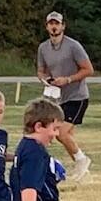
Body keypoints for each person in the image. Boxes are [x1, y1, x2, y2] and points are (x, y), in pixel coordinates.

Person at [37, 11, 93, 182]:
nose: (54, 27)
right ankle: (82, 171)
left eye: (57, 23)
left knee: (60, 133)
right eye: (51, 23)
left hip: (77, 96)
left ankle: (83, 161)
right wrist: (45, 79)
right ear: (47, 26)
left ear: (63, 26)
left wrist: (68, 79)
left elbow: (88, 69)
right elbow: (41, 70)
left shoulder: (73, 46)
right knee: (66, 136)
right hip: (58, 97)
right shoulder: (43, 48)